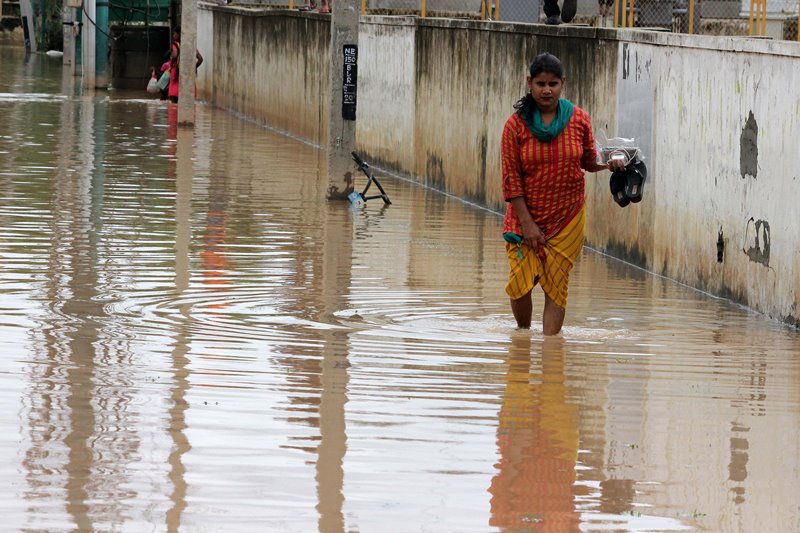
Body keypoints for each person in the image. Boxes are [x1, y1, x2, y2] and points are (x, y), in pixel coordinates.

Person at [500, 53, 625, 334]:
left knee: (556, 285)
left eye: (553, 84)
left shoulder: (578, 119)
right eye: (541, 83)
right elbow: (511, 180)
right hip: (525, 218)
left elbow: (589, 161)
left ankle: (550, 353)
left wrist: (611, 162)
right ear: (529, 83)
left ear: (563, 84)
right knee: (520, 284)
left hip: (567, 218)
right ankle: (523, 336)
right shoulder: (515, 126)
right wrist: (528, 224)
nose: (547, 90)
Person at [168, 26, 204, 104]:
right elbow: (200, 59)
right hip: (188, 74)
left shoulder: (175, 45)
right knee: (188, 101)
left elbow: (174, 55)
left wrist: (171, 63)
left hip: (176, 74)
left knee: (174, 101)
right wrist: (194, 67)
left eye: (174, 34)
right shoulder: (191, 45)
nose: (173, 36)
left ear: (179, 34)